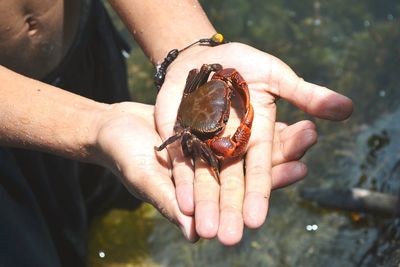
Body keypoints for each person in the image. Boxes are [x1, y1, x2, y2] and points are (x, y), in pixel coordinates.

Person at [0, 0, 353, 266]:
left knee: (110, 197)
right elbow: (217, 145)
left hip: (80, 43)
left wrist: (188, 47)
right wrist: (94, 126)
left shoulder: (209, 81)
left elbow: (217, 71)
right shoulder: (190, 135)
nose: (227, 107)